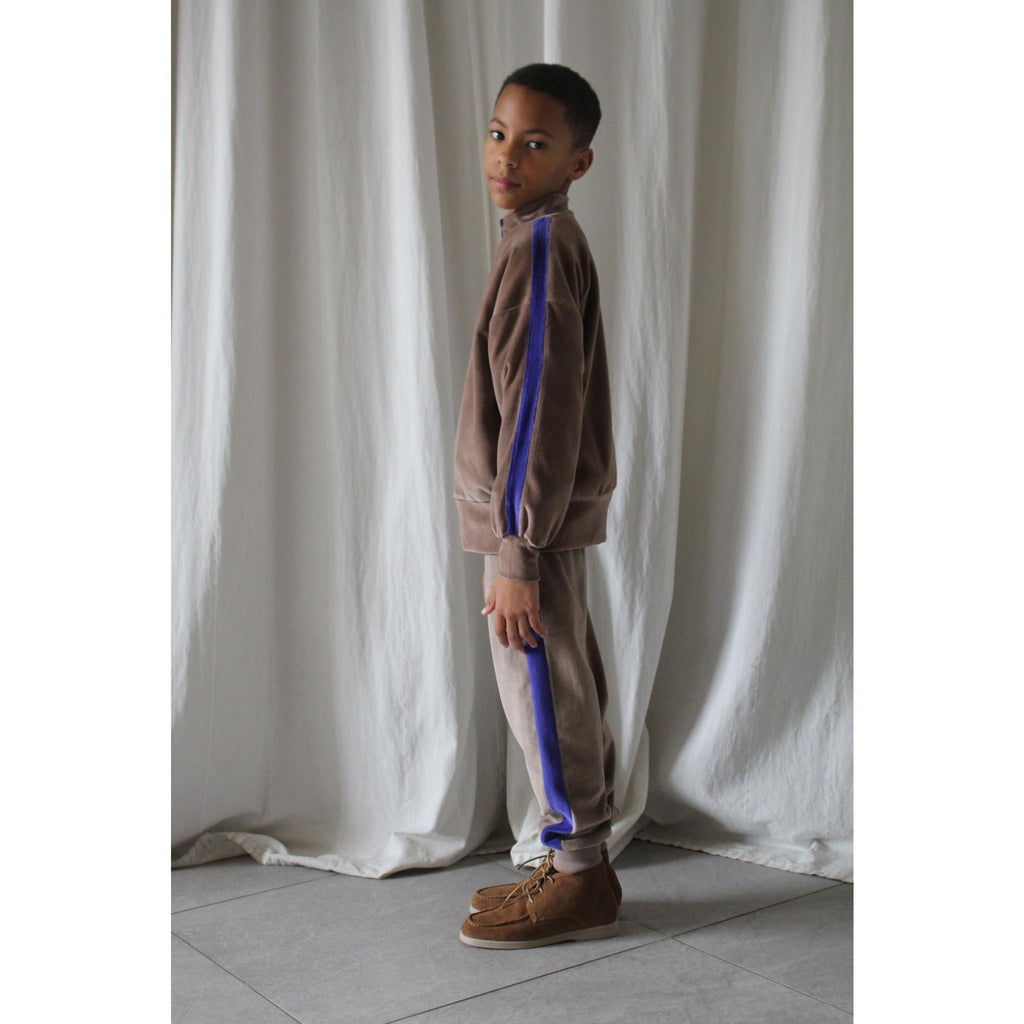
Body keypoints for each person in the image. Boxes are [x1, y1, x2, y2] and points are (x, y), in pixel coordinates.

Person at [452, 63, 620, 949]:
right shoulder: (532, 239)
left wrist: (514, 549)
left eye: (535, 142)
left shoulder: (543, 246)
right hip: (534, 524)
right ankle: (575, 862)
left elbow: (538, 411)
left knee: (544, 696)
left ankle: (581, 875)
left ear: (576, 163)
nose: (506, 156)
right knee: (555, 686)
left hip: (532, 530)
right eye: (497, 133)